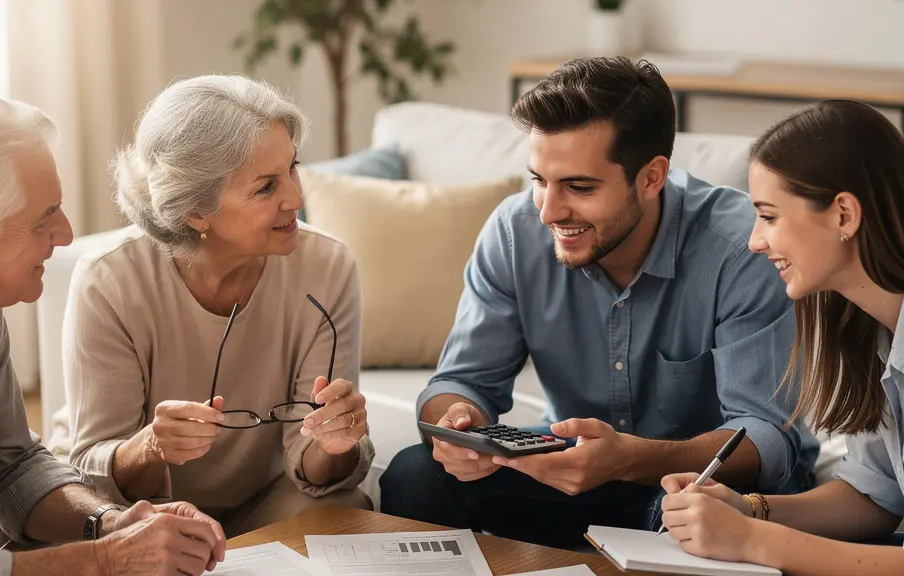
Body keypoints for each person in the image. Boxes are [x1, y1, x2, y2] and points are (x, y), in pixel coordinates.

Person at [378, 56, 819, 549]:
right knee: (415, 475)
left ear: (651, 178)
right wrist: (459, 426)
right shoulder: (513, 232)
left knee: (688, 516)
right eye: (539, 180)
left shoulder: (741, 248)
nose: (548, 212)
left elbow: (765, 439)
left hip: (700, 486)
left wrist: (629, 458)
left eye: (579, 187)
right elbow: (460, 382)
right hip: (574, 475)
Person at [0, 95, 226, 575]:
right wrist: (107, 560)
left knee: (52, 543)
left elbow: (11, 468)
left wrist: (110, 525)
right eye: (45, 216)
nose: (65, 234)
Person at [49, 74, 374, 537]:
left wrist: (335, 440)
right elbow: (95, 466)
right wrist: (151, 446)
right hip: (135, 508)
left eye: (293, 168)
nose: (296, 199)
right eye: (266, 187)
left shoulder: (328, 265)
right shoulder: (110, 279)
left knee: (344, 509)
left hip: (263, 501)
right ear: (195, 211)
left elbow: (314, 467)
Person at [658, 99, 904, 574]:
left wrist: (755, 541)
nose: (754, 241)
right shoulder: (870, 332)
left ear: (844, 215)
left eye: (769, 216)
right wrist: (747, 509)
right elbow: (875, 495)